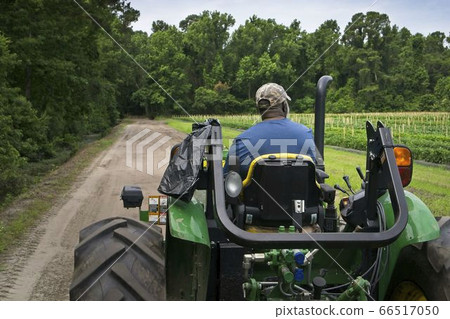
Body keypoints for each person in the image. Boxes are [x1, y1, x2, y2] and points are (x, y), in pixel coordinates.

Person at [224, 83, 316, 178]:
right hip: (300, 193)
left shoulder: (241, 141)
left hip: (255, 193)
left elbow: (227, 180)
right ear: (284, 106)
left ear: (259, 110)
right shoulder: (306, 134)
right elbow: (316, 170)